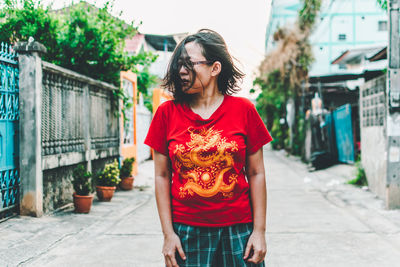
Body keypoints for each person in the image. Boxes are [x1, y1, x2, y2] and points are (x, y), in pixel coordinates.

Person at [145, 29, 272, 267]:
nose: (182, 71)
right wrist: (168, 234)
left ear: (215, 68)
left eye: (189, 64)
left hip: (239, 232)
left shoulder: (244, 110)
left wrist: (259, 231)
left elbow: (256, 173)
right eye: (179, 64)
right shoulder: (166, 113)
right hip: (187, 233)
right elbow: (162, 176)